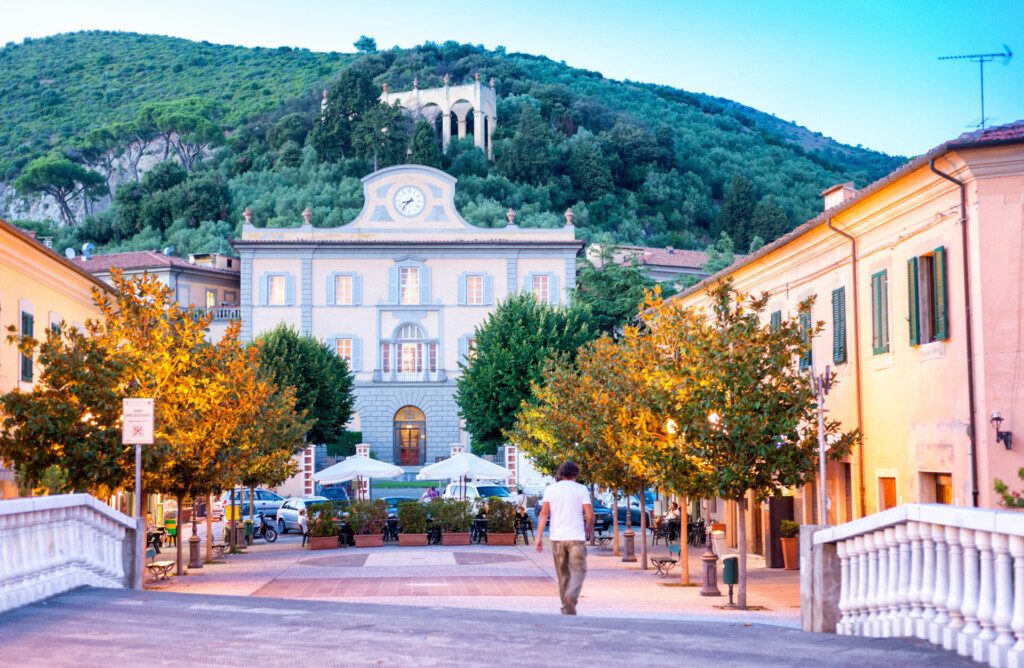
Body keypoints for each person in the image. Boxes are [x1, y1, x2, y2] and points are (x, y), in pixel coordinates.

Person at [535, 461, 594, 615]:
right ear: (576, 473)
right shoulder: (581, 489)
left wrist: (539, 537)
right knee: (579, 569)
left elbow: (543, 514)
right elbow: (589, 514)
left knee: (563, 575)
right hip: (576, 538)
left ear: (560, 473)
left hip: (557, 538)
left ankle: (566, 608)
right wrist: (589, 527)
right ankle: (571, 597)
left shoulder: (551, 489)